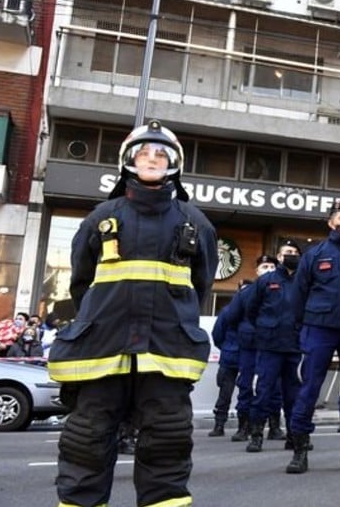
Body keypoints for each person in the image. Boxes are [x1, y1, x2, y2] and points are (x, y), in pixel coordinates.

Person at [49, 120, 217, 507]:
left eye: (161, 154)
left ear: (174, 163)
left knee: (167, 443)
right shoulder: (101, 218)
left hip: (165, 353)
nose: (153, 159)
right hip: (102, 351)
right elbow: (81, 284)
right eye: (145, 153)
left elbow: (200, 286)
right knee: (86, 443)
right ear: (129, 160)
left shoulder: (195, 222)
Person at [286, 200, 340, 474]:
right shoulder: (314, 253)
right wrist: (299, 326)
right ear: (330, 223)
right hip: (319, 327)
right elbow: (298, 292)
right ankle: (299, 451)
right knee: (310, 387)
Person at [245, 242, 305, 454]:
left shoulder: (304, 281)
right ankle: (256, 436)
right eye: (287, 253)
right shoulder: (266, 281)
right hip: (269, 345)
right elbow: (251, 310)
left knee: (293, 395)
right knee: (263, 392)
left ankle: (293, 436)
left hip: (294, 346)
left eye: (295, 253)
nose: (292, 256)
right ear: (279, 257)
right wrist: (264, 328)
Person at [211, 256, 274, 440]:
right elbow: (219, 332)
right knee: (229, 392)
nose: (269, 270)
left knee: (263, 390)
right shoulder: (233, 309)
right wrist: (227, 348)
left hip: (259, 351)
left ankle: (264, 426)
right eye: (265, 266)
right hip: (235, 354)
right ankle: (225, 424)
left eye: (271, 266)